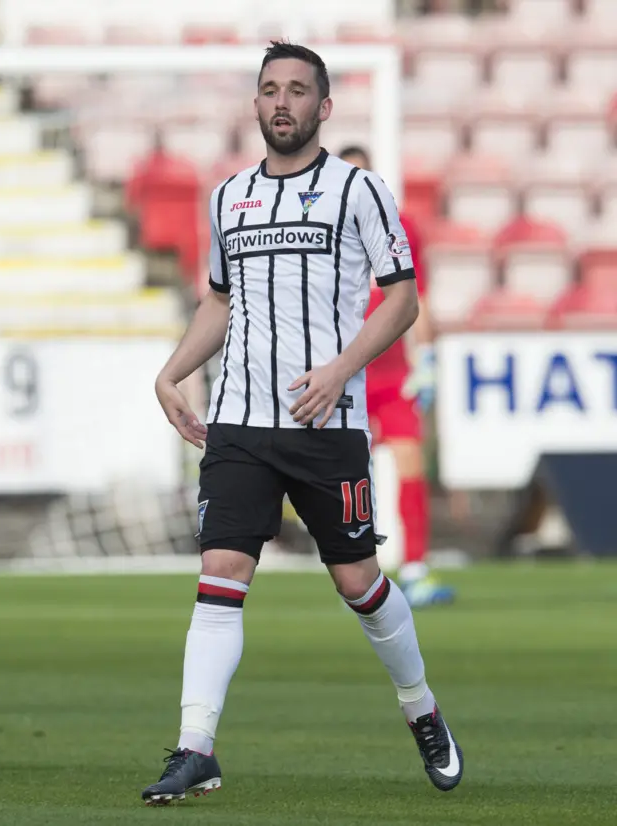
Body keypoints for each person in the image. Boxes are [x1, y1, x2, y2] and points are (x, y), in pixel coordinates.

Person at [143, 41, 464, 806]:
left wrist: (340, 369)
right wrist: (170, 371)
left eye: (296, 90)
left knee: (358, 581)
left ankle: (420, 707)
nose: (281, 101)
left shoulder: (359, 191)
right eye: (269, 90)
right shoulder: (227, 199)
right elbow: (219, 303)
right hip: (240, 425)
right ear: (256, 105)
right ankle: (196, 747)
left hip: (328, 423)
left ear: (323, 108)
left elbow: (402, 299)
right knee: (220, 574)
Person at [338, 146, 455, 608]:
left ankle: (416, 568)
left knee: (411, 466)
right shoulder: (323, 231)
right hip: (345, 375)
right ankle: (356, 570)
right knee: (347, 478)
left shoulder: (400, 227)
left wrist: (426, 360)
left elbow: (416, 295)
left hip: (393, 375)